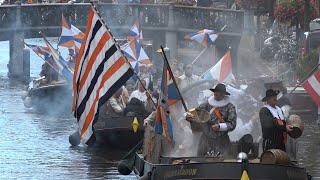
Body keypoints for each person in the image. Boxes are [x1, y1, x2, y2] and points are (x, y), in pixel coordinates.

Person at [187, 83, 237, 157]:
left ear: (224, 94)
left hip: (222, 140)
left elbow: (232, 124)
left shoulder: (230, 107)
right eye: (216, 92)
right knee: (202, 163)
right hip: (205, 140)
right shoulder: (207, 104)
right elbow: (195, 113)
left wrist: (220, 126)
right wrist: (189, 116)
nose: (218, 94)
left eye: (220, 93)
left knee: (222, 163)